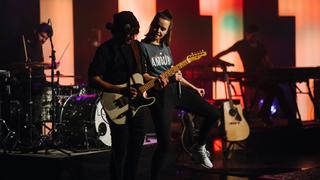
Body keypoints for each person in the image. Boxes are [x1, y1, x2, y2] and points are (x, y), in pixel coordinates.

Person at [140, 10, 221, 179]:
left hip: (176, 90)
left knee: (214, 113)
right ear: (152, 25)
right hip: (159, 96)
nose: (158, 31)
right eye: (156, 26)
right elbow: (141, 74)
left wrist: (193, 87)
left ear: (168, 31)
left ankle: (199, 148)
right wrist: (156, 78)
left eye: (163, 29)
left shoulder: (166, 48)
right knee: (164, 146)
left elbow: (175, 74)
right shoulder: (142, 47)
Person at [88, 11, 147, 180]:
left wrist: (157, 80)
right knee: (120, 150)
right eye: (127, 34)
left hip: (138, 104)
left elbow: (142, 75)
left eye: (132, 33)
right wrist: (119, 90)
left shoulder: (137, 47)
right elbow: (94, 78)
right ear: (117, 31)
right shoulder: (105, 50)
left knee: (136, 149)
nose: (130, 37)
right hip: (116, 103)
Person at [213, 24, 300, 127]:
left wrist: (274, 72)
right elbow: (222, 53)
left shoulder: (260, 46)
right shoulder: (241, 45)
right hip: (251, 77)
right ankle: (283, 116)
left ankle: (268, 114)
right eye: (253, 35)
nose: (255, 37)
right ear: (247, 34)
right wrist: (219, 62)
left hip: (263, 76)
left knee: (275, 90)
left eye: (256, 35)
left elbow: (267, 62)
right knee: (276, 90)